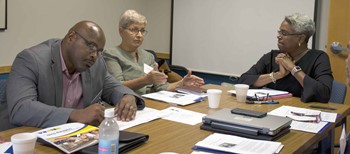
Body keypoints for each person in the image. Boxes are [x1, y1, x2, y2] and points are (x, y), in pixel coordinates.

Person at [1, 21, 144, 131]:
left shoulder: (95, 63)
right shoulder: (31, 60)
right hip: (28, 138)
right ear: (71, 37)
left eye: (99, 51)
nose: (95, 55)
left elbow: (112, 87)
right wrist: (74, 115)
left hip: (76, 139)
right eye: (91, 46)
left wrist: (127, 97)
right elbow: (21, 108)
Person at [103, 10, 205, 95]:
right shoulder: (111, 54)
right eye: (134, 30)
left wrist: (182, 83)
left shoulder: (148, 56)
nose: (139, 35)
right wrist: (146, 80)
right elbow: (117, 87)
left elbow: (160, 86)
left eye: (142, 30)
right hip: (127, 104)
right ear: (121, 31)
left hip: (151, 103)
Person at [238, 13, 333, 103]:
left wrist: (293, 69)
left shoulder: (318, 58)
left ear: (301, 38)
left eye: (284, 33)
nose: (278, 36)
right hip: (270, 110)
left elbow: (323, 94)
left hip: (300, 113)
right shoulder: (272, 56)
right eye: (279, 32)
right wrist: (277, 75)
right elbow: (243, 81)